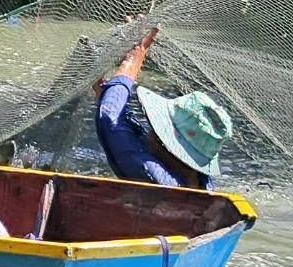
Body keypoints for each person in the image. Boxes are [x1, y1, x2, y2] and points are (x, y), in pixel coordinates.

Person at [93, 27, 233, 189]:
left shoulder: (148, 172)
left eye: (157, 129)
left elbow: (110, 116)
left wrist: (136, 55)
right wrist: (107, 93)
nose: (151, 131)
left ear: (165, 143)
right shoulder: (198, 180)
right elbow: (129, 131)